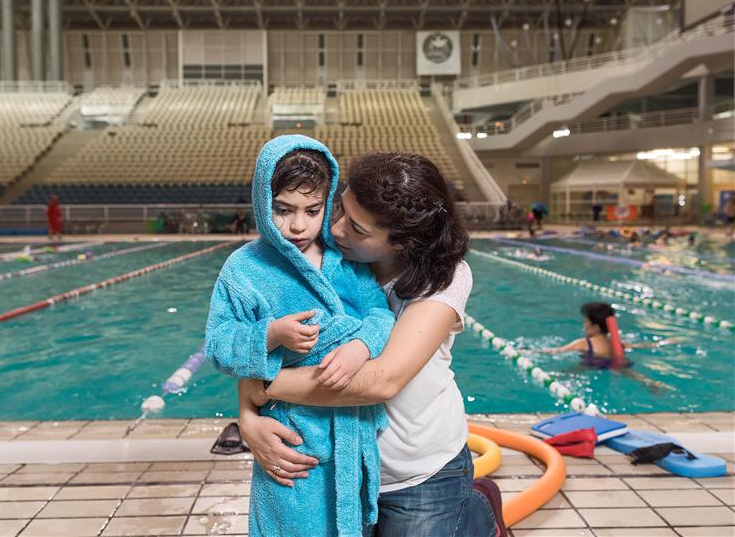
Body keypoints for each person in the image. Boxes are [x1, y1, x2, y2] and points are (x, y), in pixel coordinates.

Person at [238, 152, 502, 537]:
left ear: (403, 243)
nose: (336, 229)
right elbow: (263, 337)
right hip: (338, 472)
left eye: (357, 229)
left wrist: (263, 386)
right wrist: (247, 418)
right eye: (340, 210)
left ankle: (478, 513)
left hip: (419, 476)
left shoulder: (444, 277)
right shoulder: (316, 256)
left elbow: (381, 381)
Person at [204, 135, 396, 537]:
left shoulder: (343, 260)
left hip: (350, 435)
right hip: (291, 439)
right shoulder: (244, 269)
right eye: (283, 209)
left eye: (312, 210)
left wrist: (360, 347)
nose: (298, 225)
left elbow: (380, 314)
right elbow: (219, 344)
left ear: (328, 204)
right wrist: (270, 334)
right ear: (262, 202)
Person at [539, 302, 679, 371]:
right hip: (615, 362)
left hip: (593, 362)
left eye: (586, 321)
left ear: (595, 327)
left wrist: (532, 352)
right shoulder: (616, 343)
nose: (584, 324)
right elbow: (639, 346)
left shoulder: (583, 343)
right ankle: (650, 383)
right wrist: (663, 343)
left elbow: (556, 351)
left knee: (566, 373)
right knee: (631, 374)